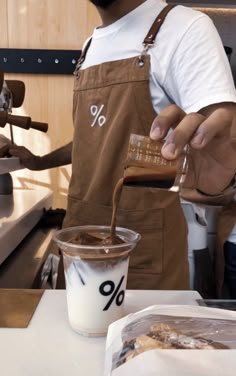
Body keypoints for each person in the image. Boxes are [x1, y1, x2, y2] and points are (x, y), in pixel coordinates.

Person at [1, 0, 236, 292]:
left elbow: (218, 144)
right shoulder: (90, 46)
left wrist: (219, 181)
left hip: (142, 250)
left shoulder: (184, 28)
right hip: (78, 237)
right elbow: (96, 141)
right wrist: (40, 161)